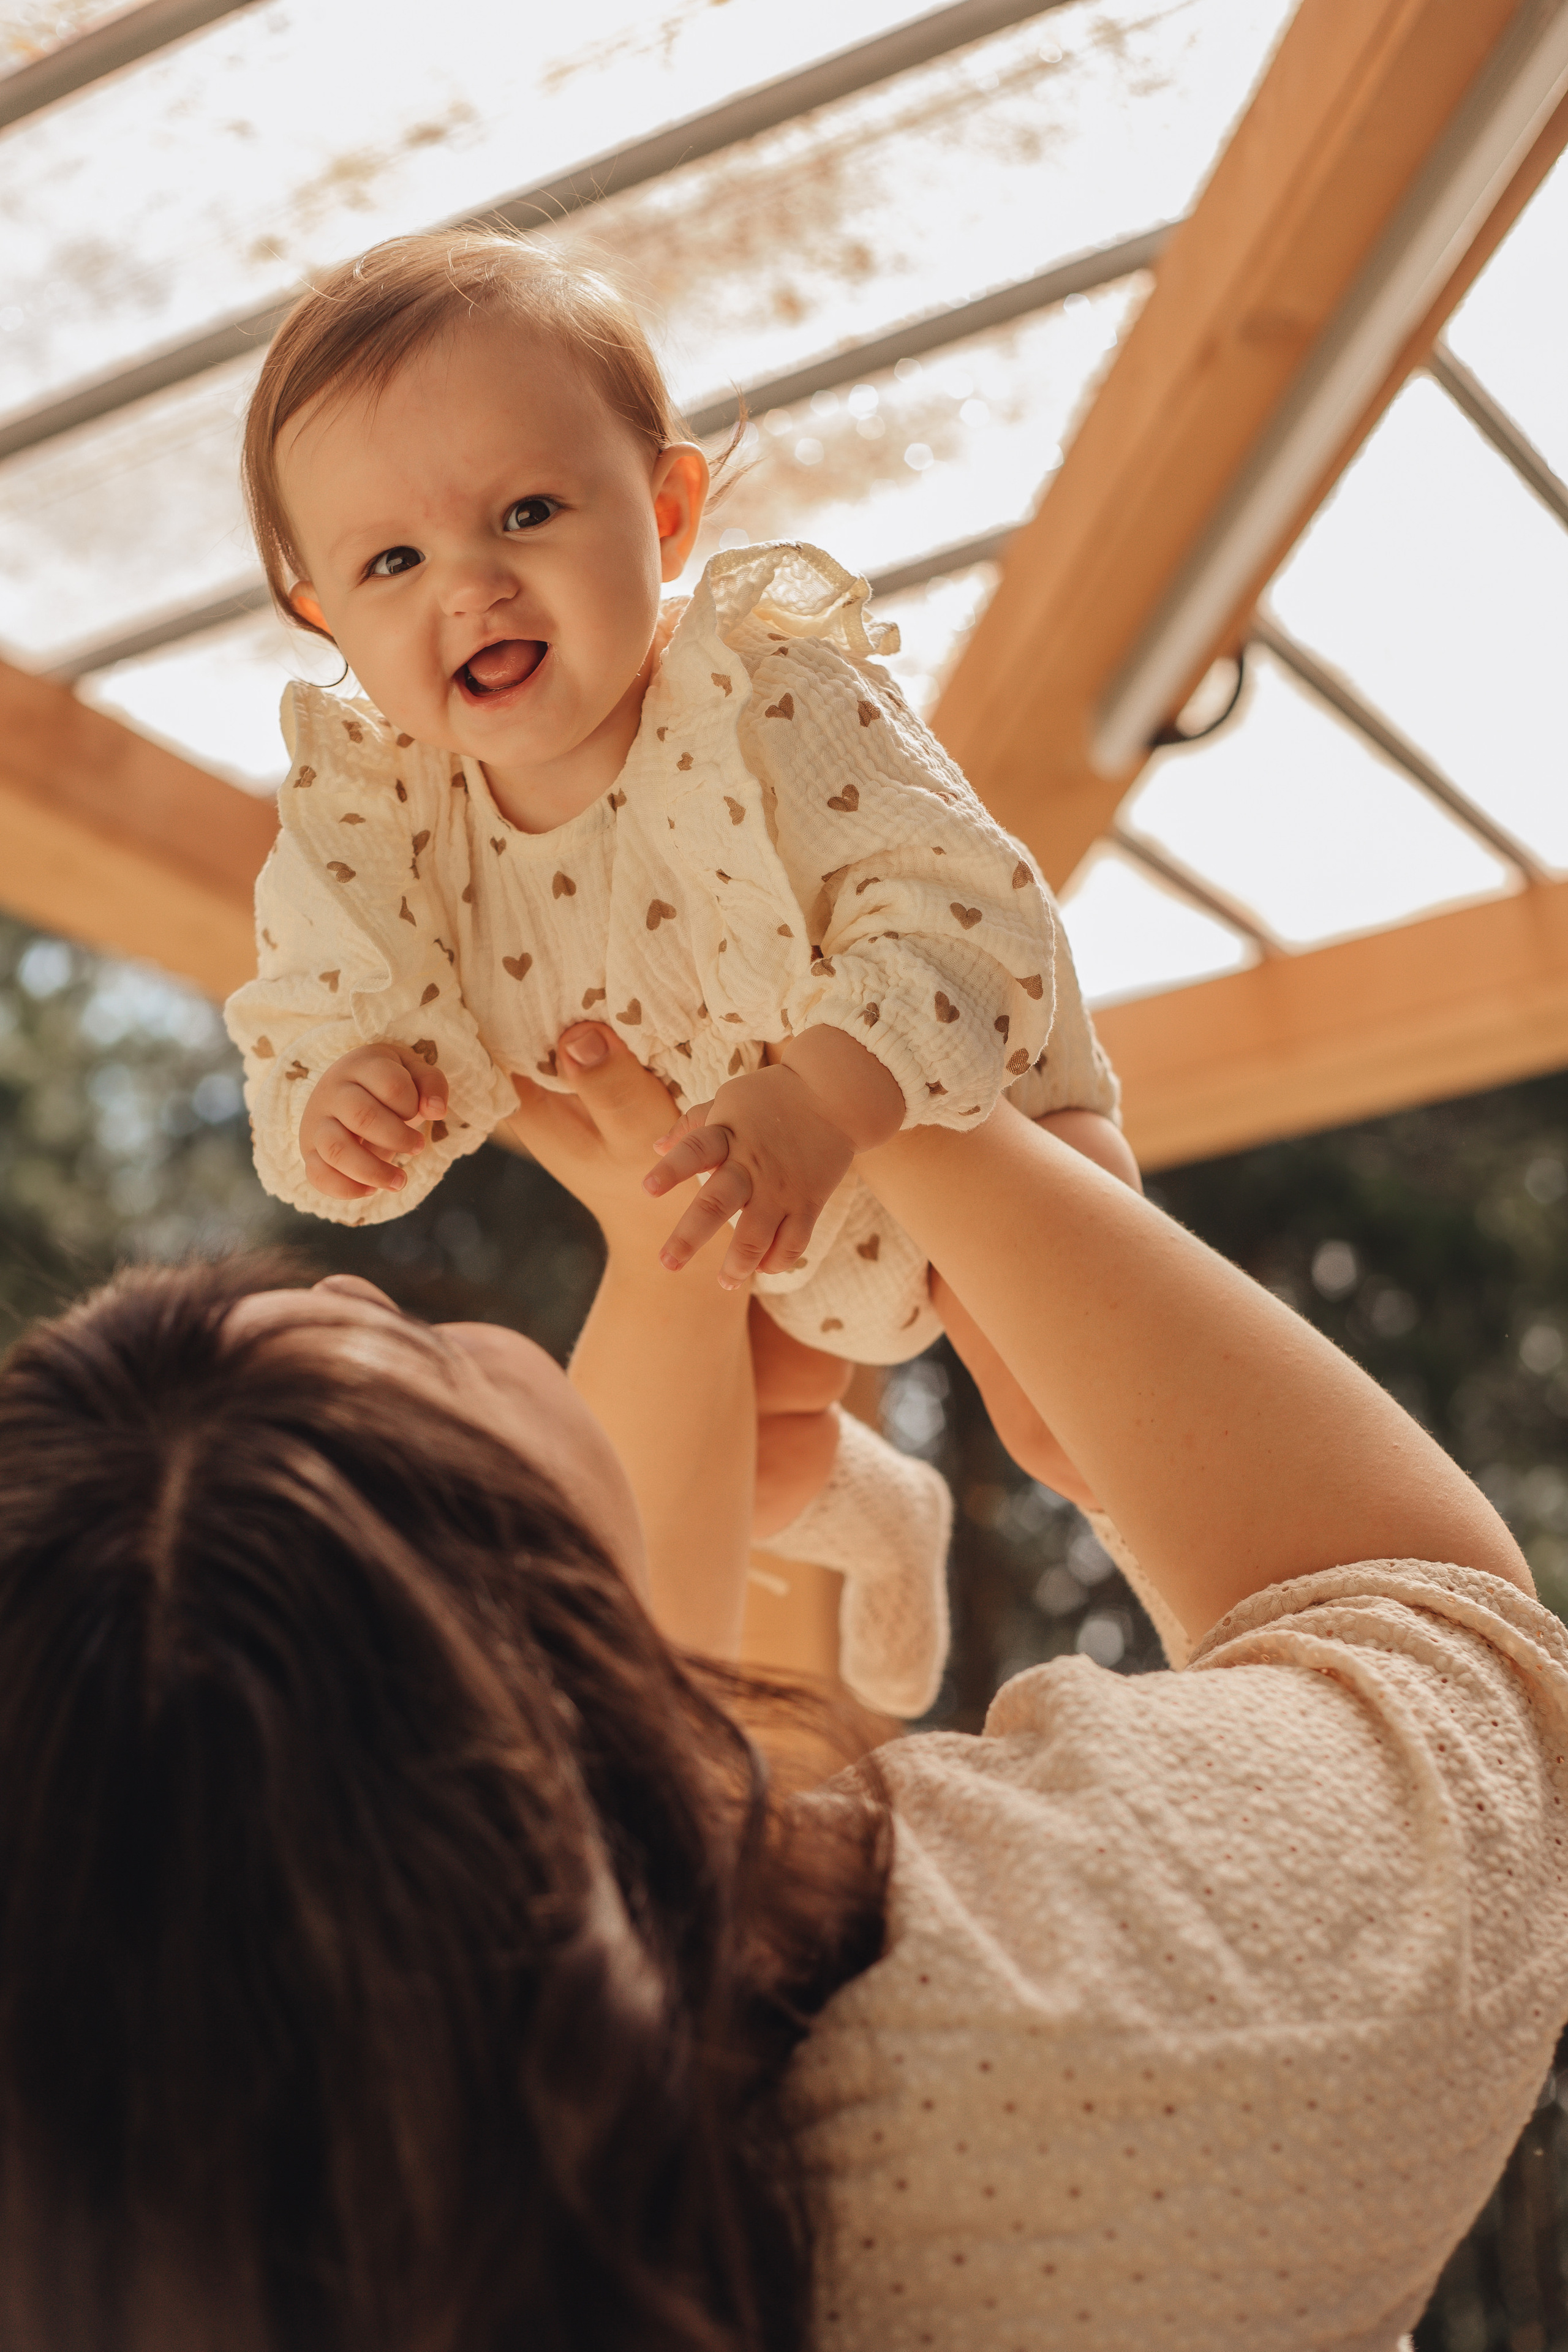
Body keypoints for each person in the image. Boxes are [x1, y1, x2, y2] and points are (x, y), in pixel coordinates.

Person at [0, 1020, 1562, 2352]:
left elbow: (626, 1777)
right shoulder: (1046, 2053)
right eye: (392, 1354)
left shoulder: (199, 2215)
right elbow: (1444, 1644)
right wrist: (881, 1060)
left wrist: (665, 1246)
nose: (344, 1294)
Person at [224, 227, 1140, 1719]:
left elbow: (975, 913)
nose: (470, 587)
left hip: (958, 1117)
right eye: (392, 560)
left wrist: (823, 1099)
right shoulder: (377, 822)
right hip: (742, 1216)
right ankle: (883, 1514)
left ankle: (1251, 1639)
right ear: (326, 613)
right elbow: (327, 1011)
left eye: (526, 512)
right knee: (754, 1475)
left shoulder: (761, 688)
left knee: (1072, 1423)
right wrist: (353, 1095)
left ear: (663, 513)